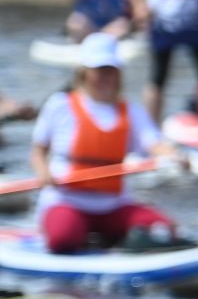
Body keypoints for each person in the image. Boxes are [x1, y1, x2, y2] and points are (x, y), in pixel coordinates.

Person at [28, 33, 187, 254]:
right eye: (99, 70)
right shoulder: (59, 105)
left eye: (110, 70)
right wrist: (44, 172)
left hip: (113, 205)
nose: (105, 77)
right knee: (63, 239)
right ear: (84, 72)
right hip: (67, 200)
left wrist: (173, 155)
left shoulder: (131, 111)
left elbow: (155, 144)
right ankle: (79, 234)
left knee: (164, 229)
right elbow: (38, 152)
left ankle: (114, 238)